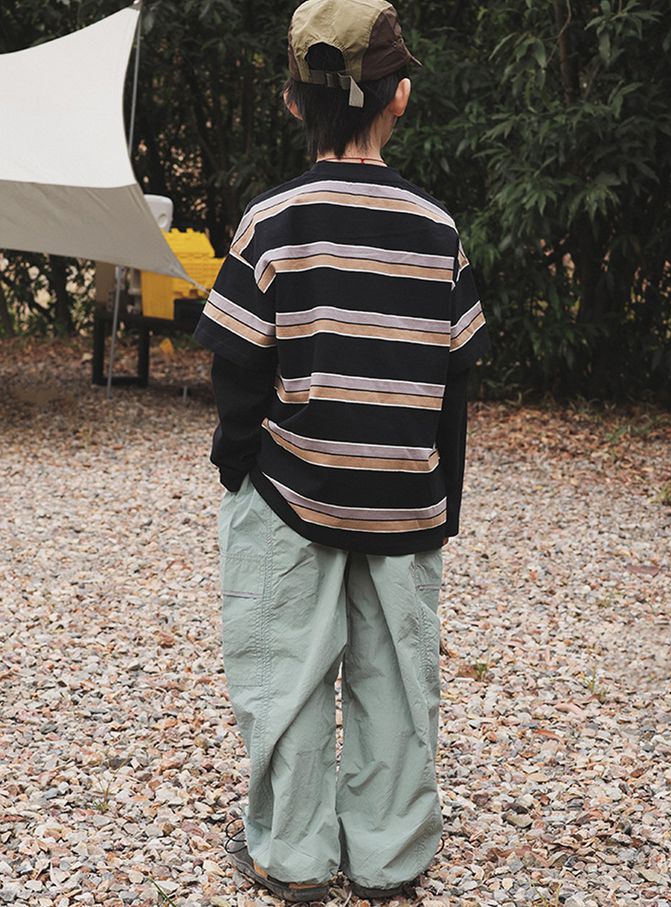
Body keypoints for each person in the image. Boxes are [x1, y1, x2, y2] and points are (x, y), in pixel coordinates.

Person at [192, 0, 491, 900]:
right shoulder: (438, 233)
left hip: (292, 493)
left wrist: (236, 464)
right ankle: (388, 856)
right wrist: (445, 500)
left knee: (284, 674)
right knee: (398, 681)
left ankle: (293, 855)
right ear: (400, 97)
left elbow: (238, 368)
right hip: (406, 500)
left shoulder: (273, 222)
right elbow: (455, 380)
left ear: (293, 100)